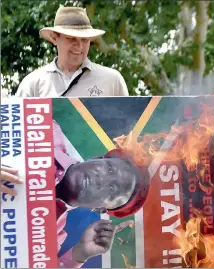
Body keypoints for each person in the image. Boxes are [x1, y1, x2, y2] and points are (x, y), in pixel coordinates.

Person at [1, 121, 150, 268]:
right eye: (110, 169)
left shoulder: (47, 239)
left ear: (99, 209)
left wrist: (80, 254)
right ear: (96, 159)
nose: (101, 179)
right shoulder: (44, 129)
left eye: (112, 189)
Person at [15, 6, 129, 97]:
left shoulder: (112, 80)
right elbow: (18, 124)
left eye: (85, 39)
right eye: (71, 38)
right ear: (55, 38)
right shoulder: (33, 84)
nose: (79, 46)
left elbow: (129, 124)